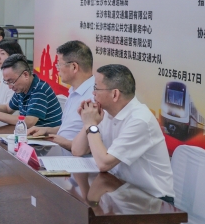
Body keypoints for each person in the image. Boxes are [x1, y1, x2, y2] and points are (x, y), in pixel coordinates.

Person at [71, 64, 175, 202]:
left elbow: (104, 164)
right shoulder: (107, 113)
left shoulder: (140, 120)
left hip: (153, 200)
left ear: (115, 94)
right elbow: (77, 150)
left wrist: (91, 125)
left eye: (96, 88)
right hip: (121, 189)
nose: (93, 93)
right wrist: (87, 123)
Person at [29, 40, 94, 151]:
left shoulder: (94, 96)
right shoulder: (74, 90)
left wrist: (58, 140)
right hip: (66, 154)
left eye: (59, 64)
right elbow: (70, 129)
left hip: (81, 159)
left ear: (74, 67)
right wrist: (47, 130)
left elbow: (94, 144)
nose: (56, 68)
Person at [0, 53, 63, 129]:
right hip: (31, 132)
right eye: (7, 82)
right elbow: (7, 108)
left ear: (25, 75)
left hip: (47, 135)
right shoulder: (21, 89)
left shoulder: (40, 89)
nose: (10, 87)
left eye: (11, 81)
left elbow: (29, 122)